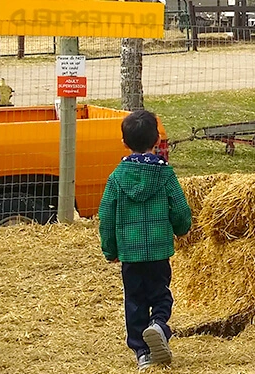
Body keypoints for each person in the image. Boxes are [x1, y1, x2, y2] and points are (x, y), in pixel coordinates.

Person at [98, 110, 193, 370]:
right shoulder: (165, 175)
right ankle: (159, 325)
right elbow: (180, 209)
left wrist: (110, 249)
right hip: (159, 249)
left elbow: (106, 216)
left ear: (124, 143)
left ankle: (142, 352)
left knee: (135, 301)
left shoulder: (117, 178)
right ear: (157, 141)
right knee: (161, 295)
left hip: (130, 253)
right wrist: (183, 229)